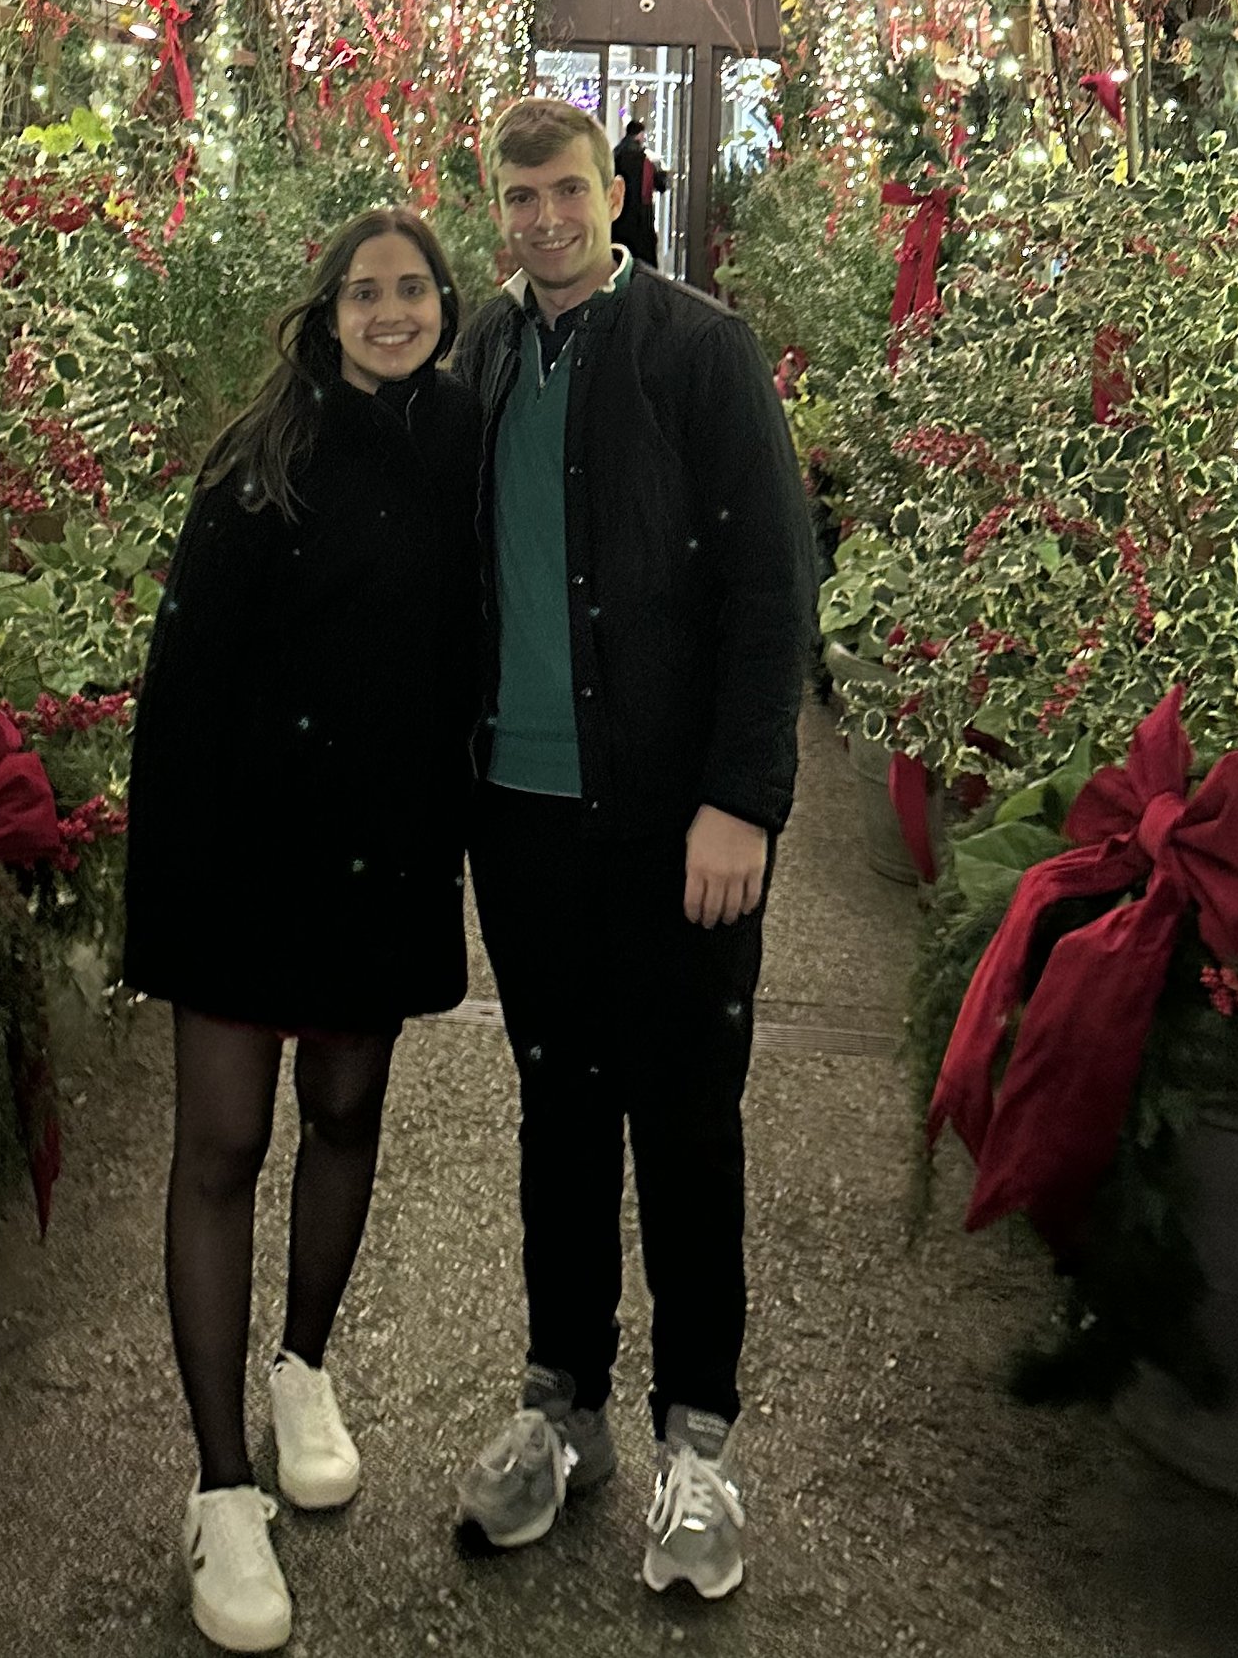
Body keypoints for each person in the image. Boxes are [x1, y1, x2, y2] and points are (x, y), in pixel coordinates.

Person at [449, 94, 814, 1602]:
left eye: (566, 190)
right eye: (518, 195)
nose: (543, 217)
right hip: (521, 811)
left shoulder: (697, 351)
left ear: (615, 194)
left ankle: (698, 1442)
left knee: (685, 1116)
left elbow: (772, 582)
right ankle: (564, 1407)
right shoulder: (479, 353)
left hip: (674, 820)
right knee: (557, 1105)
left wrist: (742, 797)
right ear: (496, 207)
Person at [124, 208, 481, 1654]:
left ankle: (302, 1368)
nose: (391, 311)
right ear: (326, 312)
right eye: (364, 292)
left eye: (413, 289)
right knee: (221, 1146)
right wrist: (164, 893)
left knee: (344, 1112)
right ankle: (221, 1487)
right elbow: (181, 687)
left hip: (381, 850)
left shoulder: (464, 443)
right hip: (241, 851)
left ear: (446, 304)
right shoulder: (258, 460)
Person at [609, 112, 667, 270]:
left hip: (618, 219)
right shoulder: (645, 159)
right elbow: (659, 185)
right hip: (640, 219)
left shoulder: (615, 155)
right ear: (640, 135)